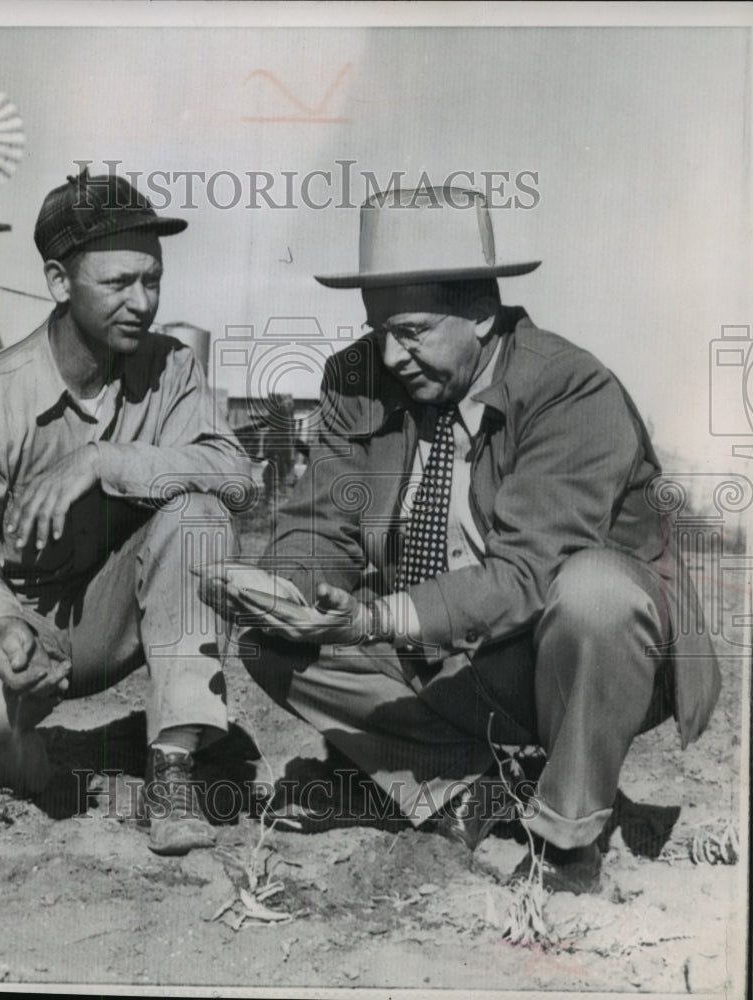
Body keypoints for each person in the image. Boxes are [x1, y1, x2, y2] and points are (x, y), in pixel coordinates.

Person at [206, 185, 720, 893]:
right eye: (377, 328)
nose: (388, 354)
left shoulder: (572, 390)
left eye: (411, 330)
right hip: (443, 654)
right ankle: (472, 792)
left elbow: (530, 577)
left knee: (594, 593)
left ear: (481, 314)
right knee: (272, 640)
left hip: (572, 658)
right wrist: (281, 585)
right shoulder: (357, 382)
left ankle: (569, 843)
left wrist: (375, 618)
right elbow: (319, 524)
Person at [0, 170, 252, 856]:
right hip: (8, 626)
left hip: (105, 620)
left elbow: (236, 476)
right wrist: (5, 624)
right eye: (119, 283)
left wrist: (104, 461)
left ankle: (172, 772)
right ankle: (10, 756)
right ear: (58, 281)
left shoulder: (172, 369)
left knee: (198, 512)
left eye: (151, 280)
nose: (143, 302)